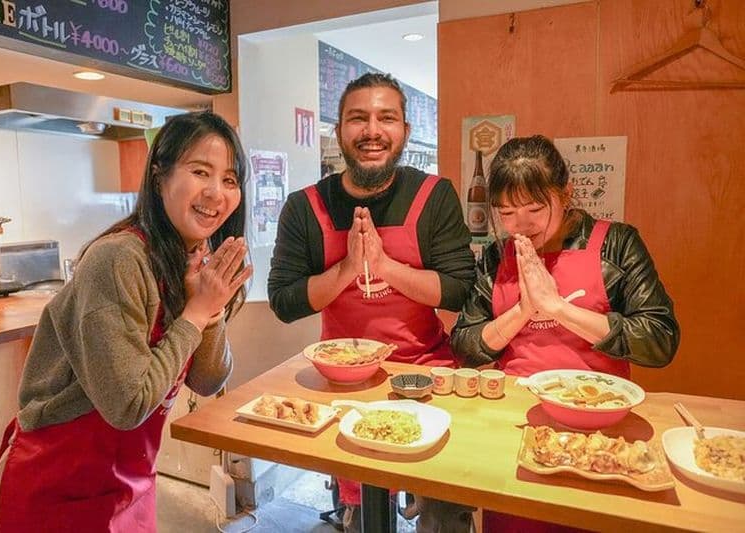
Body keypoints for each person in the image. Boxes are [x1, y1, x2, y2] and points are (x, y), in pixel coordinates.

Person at [0, 111, 253, 532]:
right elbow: (127, 405)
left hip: (131, 483)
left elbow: (207, 381)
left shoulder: (186, 259)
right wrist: (197, 311)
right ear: (158, 175)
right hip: (55, 486)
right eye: (200, 171)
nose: (216, 192)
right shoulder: (118, 260)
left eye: (230, 179)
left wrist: (211, 308)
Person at [268, 72, 475, 533]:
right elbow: (284, 301)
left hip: (426, 375)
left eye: (387, 118)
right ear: (339, 130)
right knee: (365, 516)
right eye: (357, 118)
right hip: (344, 384)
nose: (372, 130)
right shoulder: (305, 207)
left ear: (405, 131)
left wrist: (385, 268)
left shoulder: (433, 195)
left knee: (444, 513)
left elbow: (461, 288)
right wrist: (346, 270)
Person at [450, 134, 679, 531]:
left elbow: (659, 340)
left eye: (535, 208)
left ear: (567, 192)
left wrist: (558, 308)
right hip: (515, 423)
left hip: (601, 426)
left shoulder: (617, 244)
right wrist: (523, 311)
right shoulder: (494, 256)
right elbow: (466, 343)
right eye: (505, 213)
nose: (520, 226)